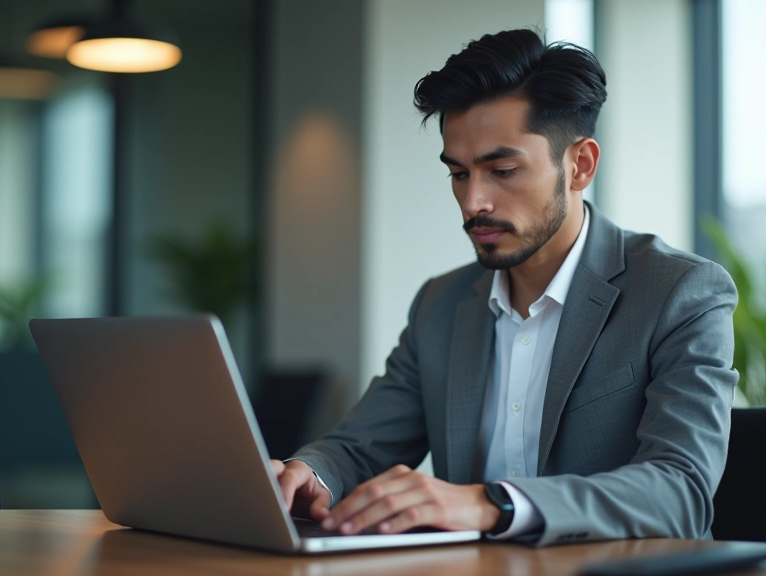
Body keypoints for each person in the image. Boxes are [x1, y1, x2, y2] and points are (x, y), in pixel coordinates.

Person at [269, 28, 737, 546]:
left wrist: (491, 504)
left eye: (503, 170)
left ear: (579, 165)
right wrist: (308, 473)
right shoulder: (439, 305)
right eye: (459, 174)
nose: (473, 202)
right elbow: (358, 448)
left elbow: (681, 491)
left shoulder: (680, 292)